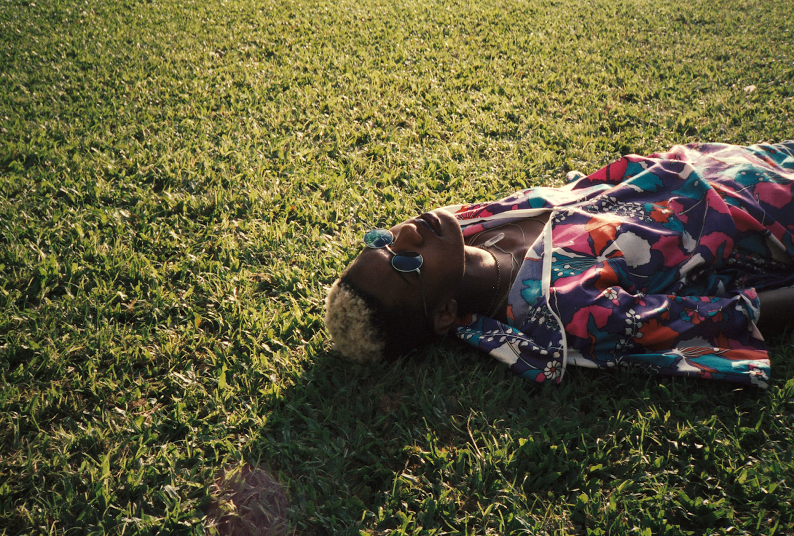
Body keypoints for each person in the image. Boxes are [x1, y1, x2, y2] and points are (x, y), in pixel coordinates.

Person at [324, 142, 794, 388]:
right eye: (407, 262)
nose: (406, 233)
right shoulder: (567, 311)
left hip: (730, 162)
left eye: (382, 240)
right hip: (768, 216)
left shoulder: (469, 227)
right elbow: (727, 317)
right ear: (445, 313)